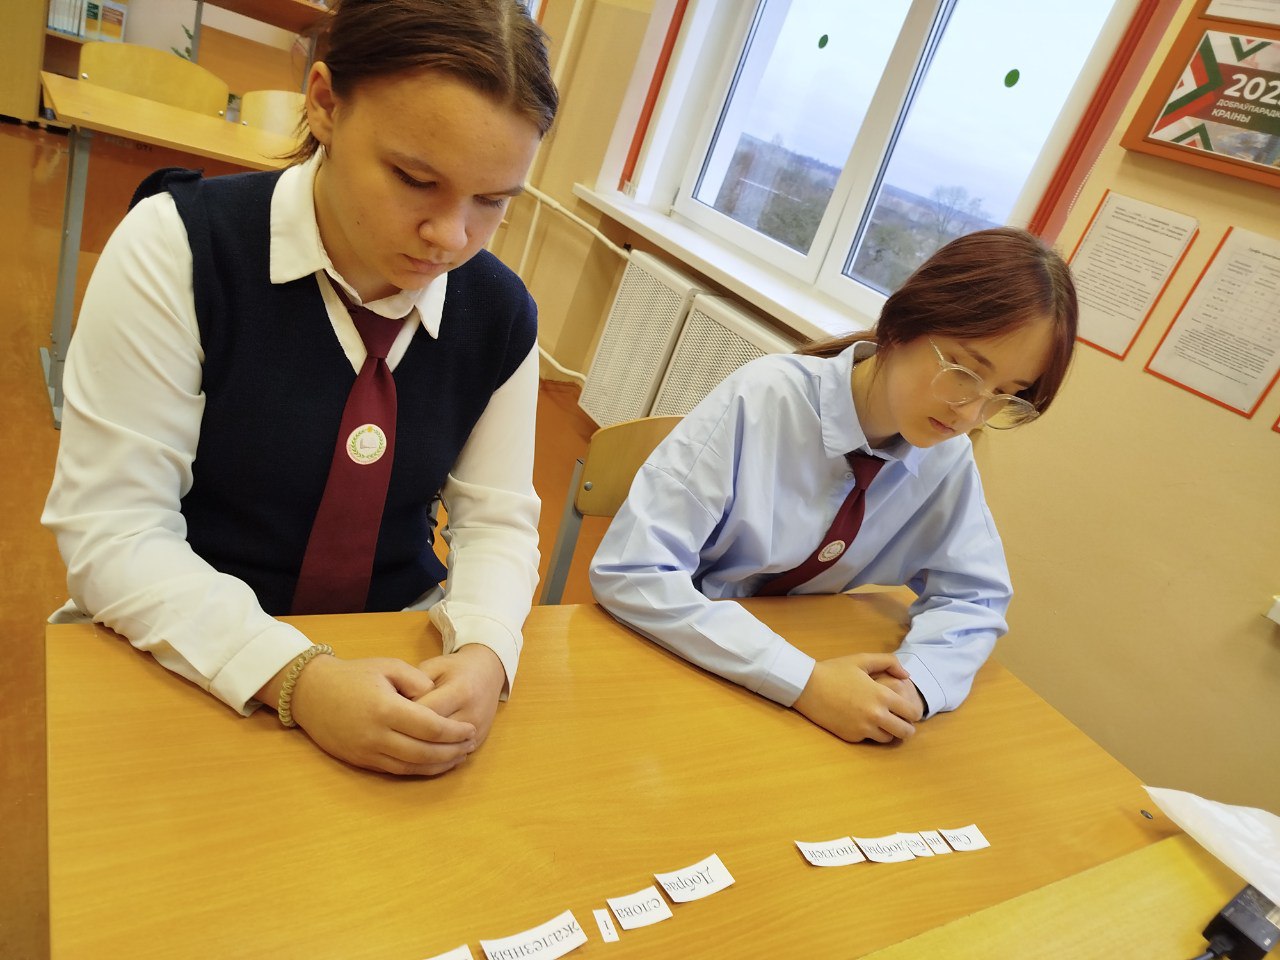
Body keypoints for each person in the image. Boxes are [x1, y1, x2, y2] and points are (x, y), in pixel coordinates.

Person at [42, 0, 559, 776]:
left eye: (493, 201)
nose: (453, 237)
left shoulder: (501, 313)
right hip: (182, 638)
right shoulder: (180, 247)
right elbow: (114, 529)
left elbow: (498, 520)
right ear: (324, 104)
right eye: (416, 179)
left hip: (390, 647)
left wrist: (485, 648)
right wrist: (298, 680)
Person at [590, 228, 1077, 744]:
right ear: (904, 323)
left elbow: (976, 597)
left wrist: (915, 683)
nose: (971, 415)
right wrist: (803, 681)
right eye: (963, 371)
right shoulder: (763, 399)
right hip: (674, 655)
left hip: (792, 675)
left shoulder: (946, 458)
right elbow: (633, 570)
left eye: (1005, 395)